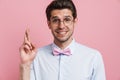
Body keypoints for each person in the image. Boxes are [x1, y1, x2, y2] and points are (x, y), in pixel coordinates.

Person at [19, 0, 106, 80]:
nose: (61, 26)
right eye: (56, 20)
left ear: (74, 22)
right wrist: (25, 63)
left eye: (67, 20)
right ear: (49, 24)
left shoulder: (93, 57)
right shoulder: (35, 57)